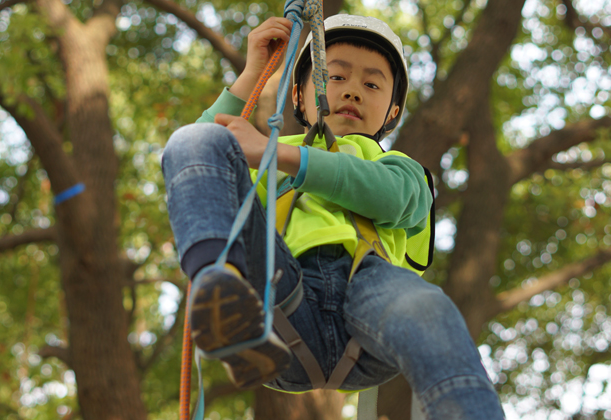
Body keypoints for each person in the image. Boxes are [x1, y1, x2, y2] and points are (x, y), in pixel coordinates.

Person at [162, 14, 504, 419]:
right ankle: (221, 292)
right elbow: (193, 158)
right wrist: (254, 73)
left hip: (369, 305)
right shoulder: (259, 152)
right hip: (278, 298)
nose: (353, 92)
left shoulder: (399, 166)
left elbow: (391, 198)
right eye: (335, 77)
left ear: (392, 111)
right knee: (194, 140)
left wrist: (279, 155)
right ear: (298, 96)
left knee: (427, 310)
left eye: (372, 84)